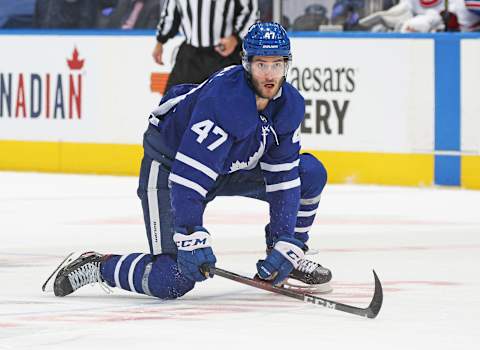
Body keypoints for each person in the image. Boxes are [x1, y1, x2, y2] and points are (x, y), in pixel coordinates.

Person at [45, 22, 332, 300]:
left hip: (225, 171)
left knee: (309, 173)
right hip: (171, 167)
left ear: (287, 65)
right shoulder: (225, 102)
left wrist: (286, 240)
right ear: (247, 64)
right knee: (172, 278)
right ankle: (99, 265)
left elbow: (283, 177)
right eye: (261, 65)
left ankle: (285, 259)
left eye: (277, 65)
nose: (269, 74)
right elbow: (188, 179)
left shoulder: (289, 104)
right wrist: (191, 233)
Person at [152, 0, 258, 93]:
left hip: (224, 55)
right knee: (173, 105)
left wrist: (235, 38)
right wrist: (160, 41)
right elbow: (170, 15)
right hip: (190, 55)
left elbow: (251, 13)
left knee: (230, 107)